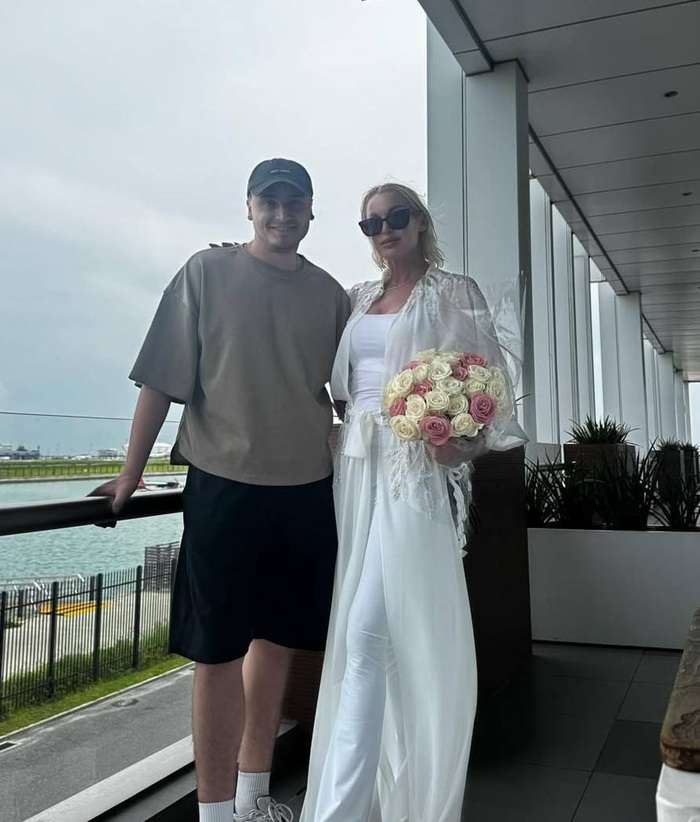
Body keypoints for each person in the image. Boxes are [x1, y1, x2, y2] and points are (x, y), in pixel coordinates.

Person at [91, 159, 351, 822]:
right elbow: (161, 380)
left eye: (295, 202)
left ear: (311, 210)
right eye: (270, 201)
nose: (282, 213)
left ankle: (253, 797)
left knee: (277, 645)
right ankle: (213, 813)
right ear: (249, 206)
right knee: (216, 655)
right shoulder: (205, 273)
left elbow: (350, 399)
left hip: (307, 491)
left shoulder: (330, 296)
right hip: (223, 487)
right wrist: (130, 475)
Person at [300, 183, 525, 822]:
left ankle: (362, 806)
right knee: (366, 634)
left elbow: (489, 390)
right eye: (370, 223)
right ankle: (368, 799)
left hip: (413, 473)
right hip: (355, 469)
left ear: (420, 222)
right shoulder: (356, 298)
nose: (384, 230)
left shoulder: (453, 292)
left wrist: (461, 443)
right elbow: (333, 377)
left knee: (374, 630)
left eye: (396, 217)